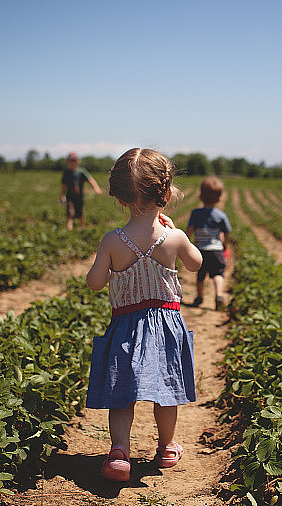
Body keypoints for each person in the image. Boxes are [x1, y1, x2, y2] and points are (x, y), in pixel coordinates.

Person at [85, 148, 203, 482]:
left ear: (119, 198)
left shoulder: (112, 240)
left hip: (126, 325)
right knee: (166, 390)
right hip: (167, 324)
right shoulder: (174, 237)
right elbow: (195, 264)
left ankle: (120, 451)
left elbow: (94, 283)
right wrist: (176, 232)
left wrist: (106, 268)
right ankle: (166, 447)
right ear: (166, 194)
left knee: (122, 392)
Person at [186, 175, 231, 310]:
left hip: (200, 251)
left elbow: (189, 230)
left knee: (200, 275)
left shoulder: (196, 213)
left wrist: (187, 245)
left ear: (200, 196)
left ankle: (199, 297)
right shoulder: (221, 215)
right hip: (216, 250)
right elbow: (227, 233)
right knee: (218, 273)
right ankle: (219, 295)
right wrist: (225, 246)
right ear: (219, 197)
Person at [60, 152, 102, 230]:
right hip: (70, 197)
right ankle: (69, 229)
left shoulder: (81, 171)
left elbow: (90, 179)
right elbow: (64, 185)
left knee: (80, 213)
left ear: (78, 161)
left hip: (79, 197)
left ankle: (81, 228)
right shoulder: (66, 172)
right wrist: (62, 196)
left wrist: (96, 188)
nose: (72, 163)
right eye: (70, 161)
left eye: (74, 160)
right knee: (70, 213)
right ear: (67, 162)